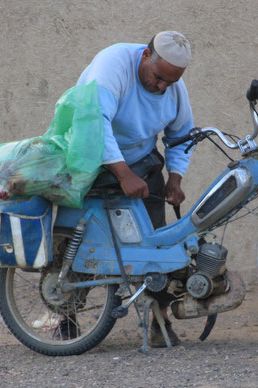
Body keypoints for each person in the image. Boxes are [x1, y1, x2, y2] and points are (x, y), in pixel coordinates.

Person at [70, 31, 195, 347]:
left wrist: (175, 178)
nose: (163, 87)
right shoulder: (111, 66)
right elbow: (94, 124)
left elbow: (181, 134)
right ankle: (67, 317)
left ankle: (159, 322)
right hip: (90, 158)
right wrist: (123, 174)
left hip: (141, 161)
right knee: (83, 239)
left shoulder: (172, 86)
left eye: (171, 81)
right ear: (145, 55)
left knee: (158, 243)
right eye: (159, 78)